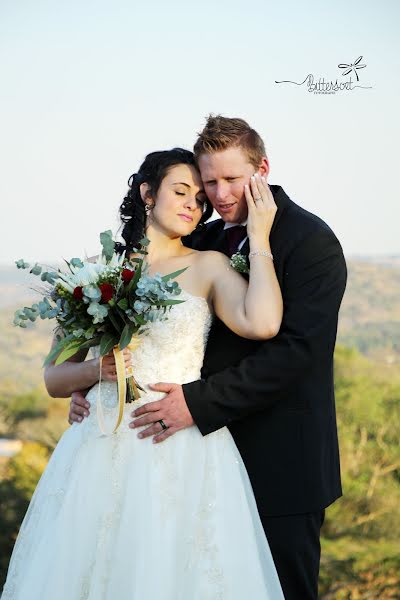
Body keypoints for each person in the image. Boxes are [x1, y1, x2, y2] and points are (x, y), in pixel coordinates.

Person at [70, 116, 347, 599]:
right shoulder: (207, 239)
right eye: (208, 183)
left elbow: (294, 354)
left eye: (231, 180)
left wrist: (194, 404)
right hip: (192, 459)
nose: (217, 196)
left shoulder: (312, 242)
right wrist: (89, 381)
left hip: (278, 462)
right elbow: (148, 318)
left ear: (262, 169)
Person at [2, 148, 285, 599]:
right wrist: (97, 370)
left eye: (200, 197)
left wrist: (261, 236)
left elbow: (264, 323)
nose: (195, 203)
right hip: (96, 448)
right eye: (181, 191)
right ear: (147, 193)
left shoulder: (207, 265)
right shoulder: (100, 274)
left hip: (176, 447)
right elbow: (54, 379)